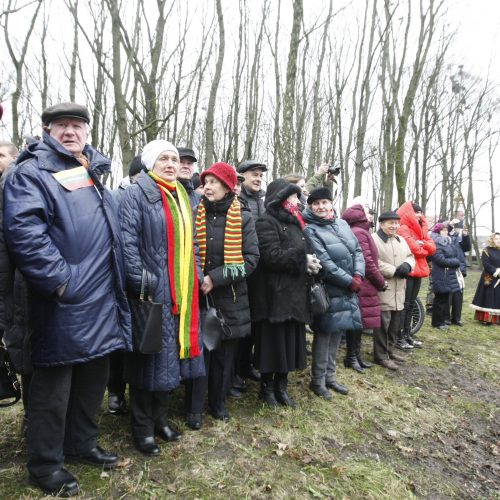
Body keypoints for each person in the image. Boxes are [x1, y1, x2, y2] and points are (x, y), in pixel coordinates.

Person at [3, 102, 132, 497]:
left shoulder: (91, 172)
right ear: (46, 131)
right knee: (52, 390)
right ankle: (45, 465)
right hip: (61, 303)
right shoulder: (31, 173)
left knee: (92, 381)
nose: (70, 132)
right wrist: (62, 283)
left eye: (77, 125)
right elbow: (25, 234)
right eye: (61, 126)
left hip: (101, 301)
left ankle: (81, 444)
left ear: (88, 132)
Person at [119, 140, 205, 456]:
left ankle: (160, 420)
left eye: (174, 159)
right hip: (151, 293)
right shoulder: (136, 194)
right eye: (163, 159)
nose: (170, 164)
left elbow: (191, 243)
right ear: (150, 163)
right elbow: (127, 244)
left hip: (180, 292)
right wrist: (144, 282)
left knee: (169, 361)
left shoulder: (182, 194)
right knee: (147, 359)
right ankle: (142, 430)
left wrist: (194, 275)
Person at [185, 162, 259, 426]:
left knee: (224, 356)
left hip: (231, 298)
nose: (208, 186)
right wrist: (198, 278)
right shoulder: (194, 213)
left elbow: (251, 260)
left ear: (228, 187)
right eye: (206, 182)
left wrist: (214, 279)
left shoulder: (244, 217)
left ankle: (217, 404)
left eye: (214, 182)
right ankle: (193, 409)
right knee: (199, 354)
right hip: (198, 296)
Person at [251, 179, 318, 407]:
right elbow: (270, 255)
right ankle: (266, 388)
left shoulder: (298, 224)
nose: (297, 202)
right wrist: (302, 259)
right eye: (293, 197)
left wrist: (313, 264)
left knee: (289, 344)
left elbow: (306, 251)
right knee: (273, 345)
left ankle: (282, 385)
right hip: (274, 296)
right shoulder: (265, 222)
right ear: (280, 198)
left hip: (295, 296)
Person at [303, 188, 365, 398]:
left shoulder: (342, 224)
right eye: (316, 203)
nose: (321, 207)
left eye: (324, 202)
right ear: (311, 206)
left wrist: (358, 274)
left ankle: (331, 377)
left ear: (331, 204)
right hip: (329, 288)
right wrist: (349, 281)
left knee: (338, 331)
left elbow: (357, 251)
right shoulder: (311, 229)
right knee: (324, 334)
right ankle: (318, 380)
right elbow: (324, 262)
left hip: (349, 287)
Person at [107, 155, 145, 416]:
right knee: (120, 343)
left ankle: (138, 391)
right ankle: (116, 392)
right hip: (122, 279)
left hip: (148, 281)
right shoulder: (117, 197)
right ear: (134, 176)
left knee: (142, 340)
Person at [342, 200, 387, 373]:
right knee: (356, 322)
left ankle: (356, 355)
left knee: (359, 322)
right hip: (364, 283)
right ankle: (351, 357)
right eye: (367, 212)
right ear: (360, 214)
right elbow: (367, 262)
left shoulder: (361, 231)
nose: (370, 215)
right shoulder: (360, 232)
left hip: (365, 283)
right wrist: (380, 281)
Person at [235, 159, 267, 384]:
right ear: (242, 176)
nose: (257, 178)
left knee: (254, 321)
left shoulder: (262, 202)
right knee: (240, 322)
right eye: (253, 174)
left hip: (259, 272)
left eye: (260, 175)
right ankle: (236, 370)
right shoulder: (238, 199)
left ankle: (246, 365)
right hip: (241, 268)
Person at [372, 211, 415, 370]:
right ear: (381, 224)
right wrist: (395, 269)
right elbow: (373, 261)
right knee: (383, 324)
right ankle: (380, 356)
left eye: (396, 223)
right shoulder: (374, 239)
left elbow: (411, 256)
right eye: (391, 223)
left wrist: (408, 265)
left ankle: (390, 349)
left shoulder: (401, 239)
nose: (394, 226)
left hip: (399, 289)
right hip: (385, 287)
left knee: (395, 323)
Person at [396, 201, 436, 349]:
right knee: (405, 305)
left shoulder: (421, 230)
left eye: (420, 212)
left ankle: (407, 335)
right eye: (416, 212)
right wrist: (422, 246)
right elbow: (414, 249)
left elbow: (432, 248)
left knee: (411, 304)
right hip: (409, 270)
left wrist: (422, 244)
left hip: (419, 270)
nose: (419, 215)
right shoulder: (403, 228)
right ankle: (399, 337)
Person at [470, 232, 500, 325]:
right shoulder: (486, 250)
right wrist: (496, 271)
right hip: (489, 277)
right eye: (496, 239)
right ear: (492, 240)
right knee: (488, 297)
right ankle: (486, 319)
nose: (498, 240)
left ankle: (497, 319)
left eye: (499, 239)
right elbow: (486, 264)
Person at [446, 220, 471, 326]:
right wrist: (449, 226)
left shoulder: (460, 237)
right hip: (447, 267)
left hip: (459, 269)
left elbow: (467, 248)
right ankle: (446, 318)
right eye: (454, 226)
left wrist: (465, 236)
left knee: (458, 295)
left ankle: (456, 318)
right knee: (447, 295)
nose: (456, 228)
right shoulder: (445, 236)